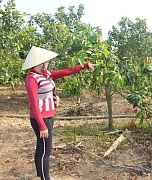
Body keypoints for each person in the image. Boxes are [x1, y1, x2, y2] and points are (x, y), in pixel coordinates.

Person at [22, 46, 96, 180]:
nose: (48, 63)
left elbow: (67, 71)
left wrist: (84, 65)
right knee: (46, 151)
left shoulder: (47, 74)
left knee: (41, 146)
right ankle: (45, 177)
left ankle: (40, 173)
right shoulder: (32, 79)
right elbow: (33, 105)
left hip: (49, 116)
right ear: (39, 62)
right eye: (46, 61)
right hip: (41, 119)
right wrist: (42, 125)